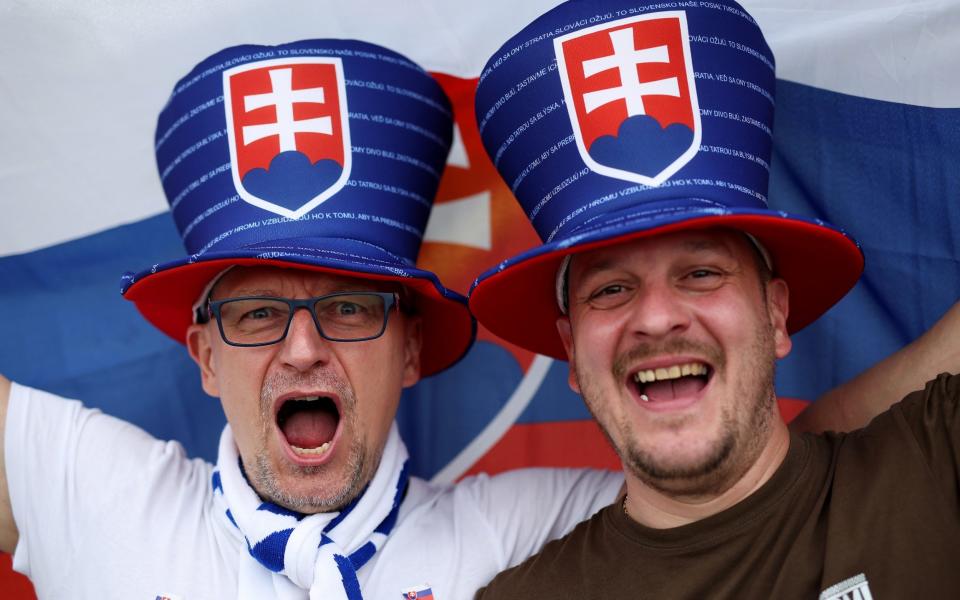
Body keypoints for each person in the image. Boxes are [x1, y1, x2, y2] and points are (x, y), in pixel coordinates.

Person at [0, 32, 950, 600]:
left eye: (347, 308)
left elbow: (759, 473)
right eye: (254, 315)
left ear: (411, 348)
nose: (302, 348)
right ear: (202, 355)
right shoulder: (95, 490)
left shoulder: (529, 538)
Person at [467, 0, 960, 597]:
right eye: (612, 289)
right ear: (571, 350)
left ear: (776, 312)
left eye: (701, 273)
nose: (656, 317)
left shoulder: (939, 459)